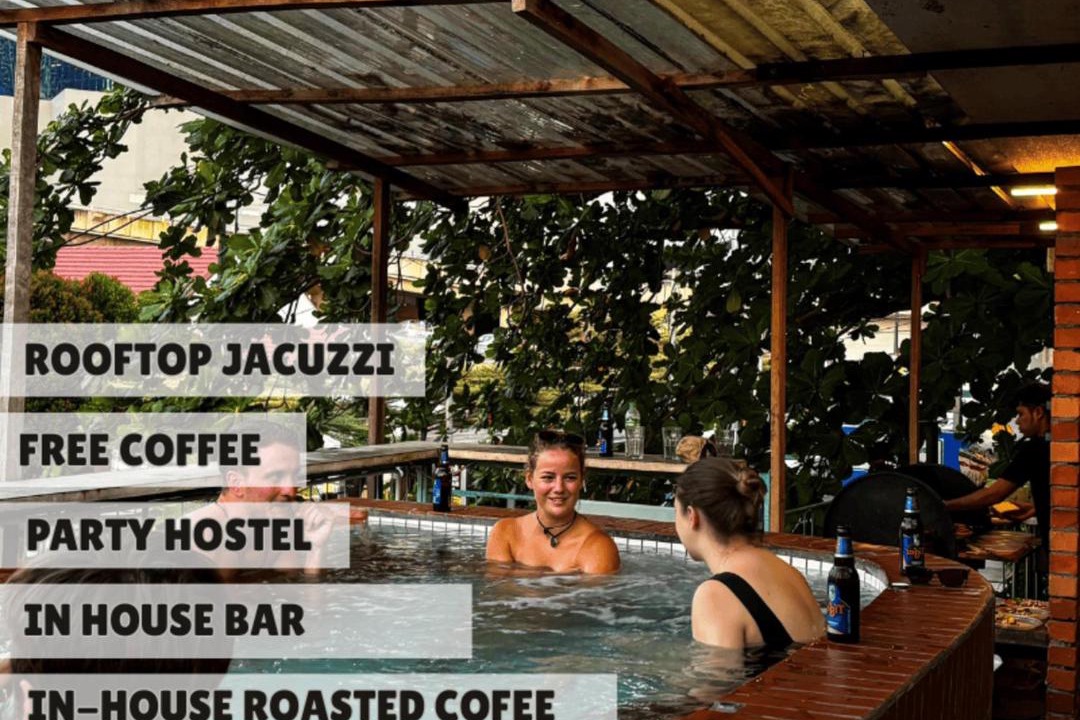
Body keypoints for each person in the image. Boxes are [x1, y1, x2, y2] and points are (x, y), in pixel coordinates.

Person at [673, 457, 824, 650]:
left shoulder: (715, 596)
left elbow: (716, 679)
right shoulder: (787, 571)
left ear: (692, 516)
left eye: (675, 512)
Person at [486, 430, 620, 574]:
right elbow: (499, 592)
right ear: (529, 479)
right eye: (548, 477)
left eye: (570, 478)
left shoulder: (598, 547)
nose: (559, 488)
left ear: (582, 480)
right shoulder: (506, 533)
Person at [944, 383, 1050, 546]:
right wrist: (1035, 508)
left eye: (1021, 414)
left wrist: (945, 505)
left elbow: (994, 494)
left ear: (1038, 413)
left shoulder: (1035, 449)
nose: (1018, 420)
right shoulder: (1060, 445)